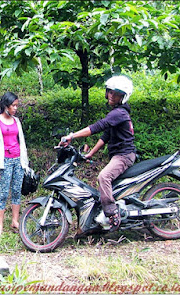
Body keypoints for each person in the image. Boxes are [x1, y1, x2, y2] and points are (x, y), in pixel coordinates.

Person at [59, 75, 136, 231]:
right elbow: (106, 135)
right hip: (119, 155)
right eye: (110, 92)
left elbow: (96, 127)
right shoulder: (118, 113)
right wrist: (91, 154)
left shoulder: (119, 113)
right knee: (107, 182)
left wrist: (72, 136)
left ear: (123, 96)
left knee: (104, 176)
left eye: (115, 93)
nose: (111, 96)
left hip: (124, 156)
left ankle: (111, 215)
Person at [0, 92, 29, 238]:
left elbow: (21, 142)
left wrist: (25, 163)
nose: (15, 108)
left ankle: (15, 221)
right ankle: (0, 226)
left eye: (17, 105)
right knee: (3, 193)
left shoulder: (16, 121)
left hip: (18, 159)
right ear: (6, 106)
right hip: (4, 162)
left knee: (17, 191)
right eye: (13, 105)